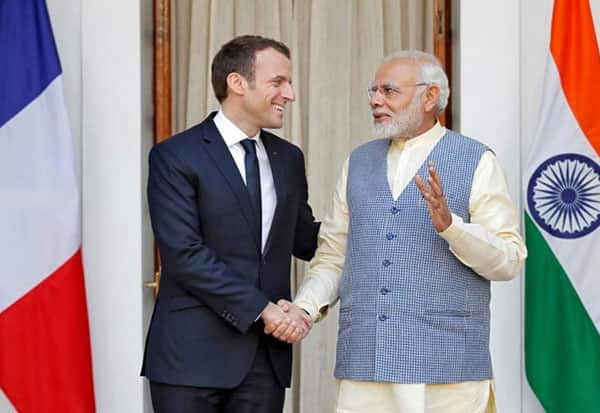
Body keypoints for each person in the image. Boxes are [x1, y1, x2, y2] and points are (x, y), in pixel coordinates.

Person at [284, 50, 528, 412]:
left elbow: (509, 260)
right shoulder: (358, 162)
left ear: (430, 97)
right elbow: (335, 255)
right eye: (373, 91)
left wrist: (452, 228)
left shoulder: (476, 160)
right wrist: (304, 308)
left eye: (389, 91)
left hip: (448, 371)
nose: (375, 100)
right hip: (366, 365)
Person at [141, 35, 319, 413]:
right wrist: (264, 310)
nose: (289, 95)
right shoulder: (175, 156)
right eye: (278, 82)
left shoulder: (288, 158)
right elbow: (184, 254)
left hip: (264, 362)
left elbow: (304, 239)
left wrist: (375, 224)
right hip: (189, 359)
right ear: (237, 83)